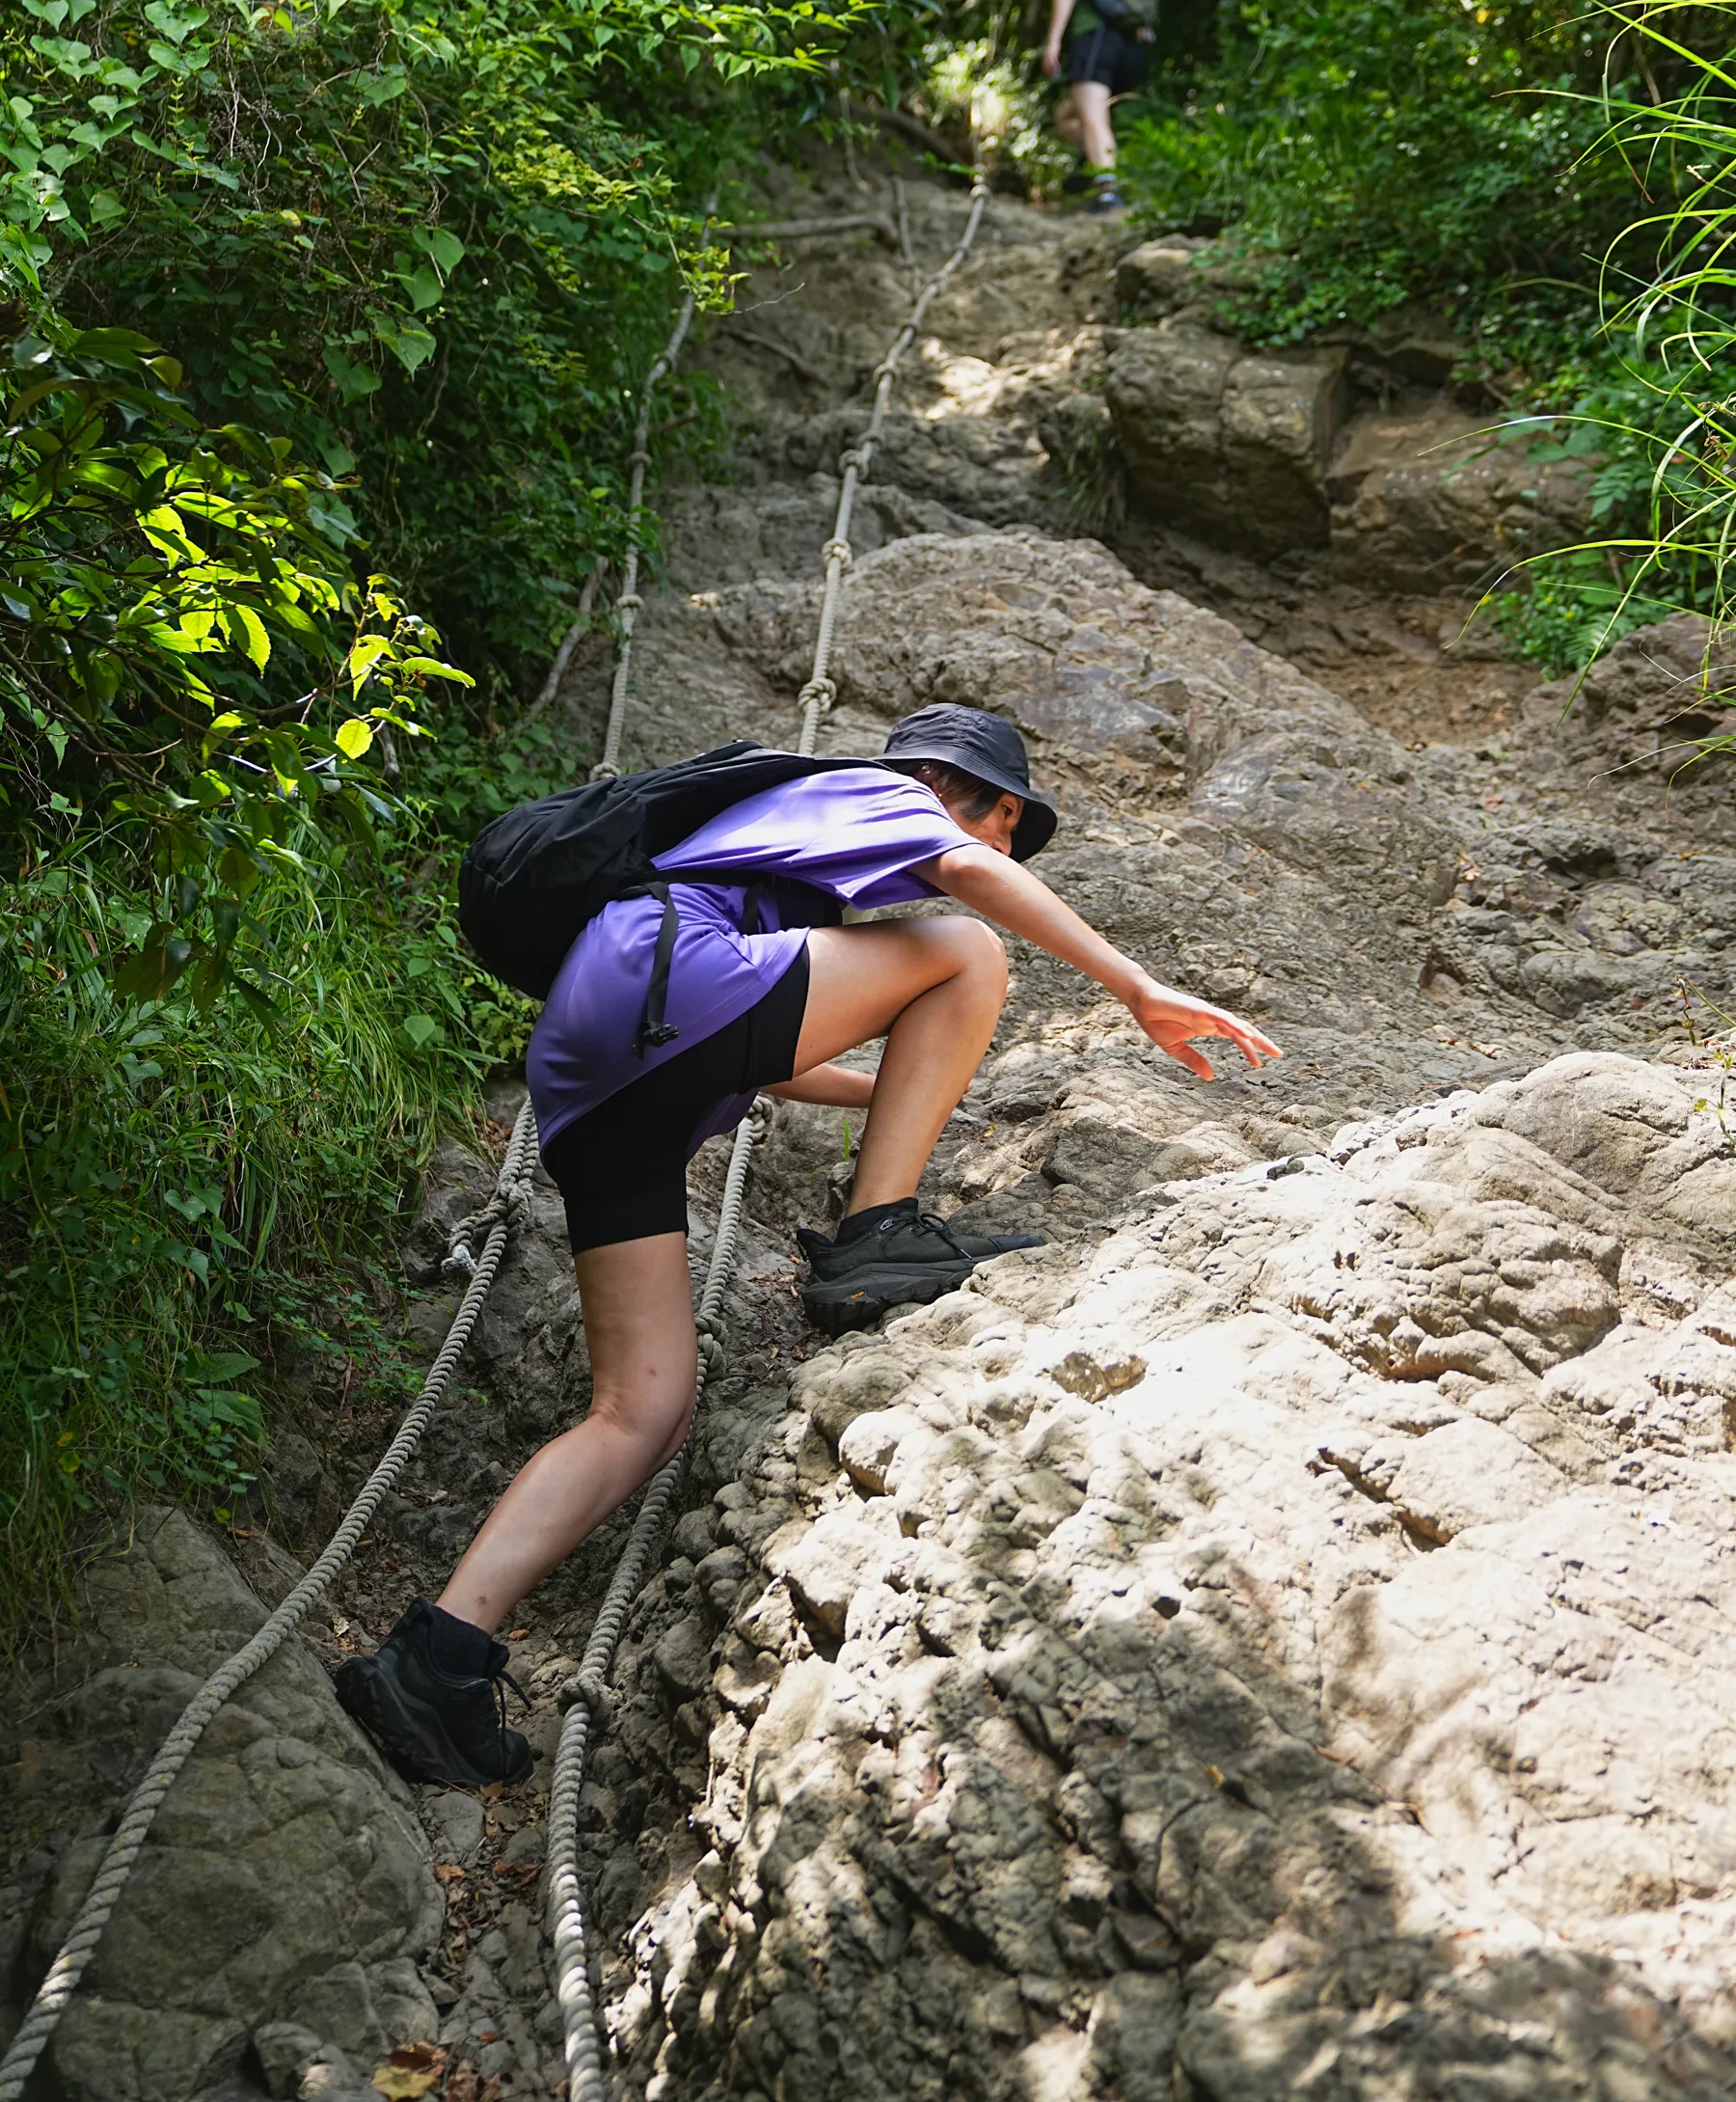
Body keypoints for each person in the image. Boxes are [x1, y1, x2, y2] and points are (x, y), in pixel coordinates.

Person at [335, 704, 1279, 1787]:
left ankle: (437, 1655)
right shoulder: (874, 790)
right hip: (661, 986)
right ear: (996, 803)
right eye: (1006, 830)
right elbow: (965, 882)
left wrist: (904, 1088)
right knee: (967, 947)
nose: (991, 850)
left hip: (595, 1069)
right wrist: (1136, 987)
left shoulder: (767, 860)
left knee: (641, 1408)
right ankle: (875, 1235)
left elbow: (747, 1046)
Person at [1038, 0, 1149, 216]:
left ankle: (1107, 192)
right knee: (1066, 117)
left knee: (1092, 117)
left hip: (1093, 39)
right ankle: (1100, 164)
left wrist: (1053, 42)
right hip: (1126, 43)